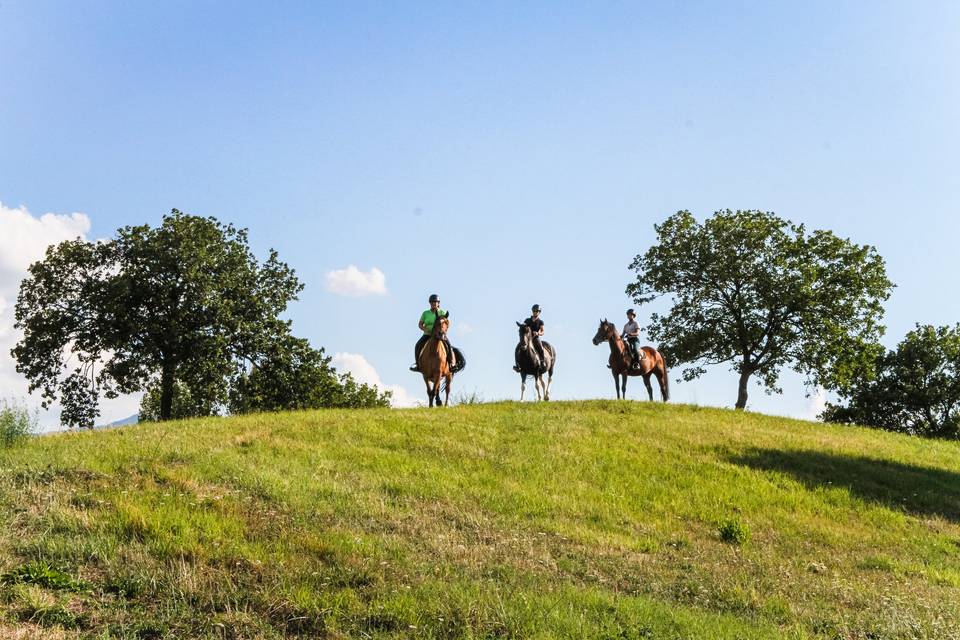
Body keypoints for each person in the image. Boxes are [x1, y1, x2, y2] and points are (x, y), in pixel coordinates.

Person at [410, 294, 456, 372]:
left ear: (438, 303)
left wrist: (443, 331)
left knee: (448, 345)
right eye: (432, 302)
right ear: (430, 303)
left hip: (439, 335)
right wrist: (425, 329)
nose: (434, 303)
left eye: (436, 302)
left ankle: (451, 364)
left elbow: (447, 323)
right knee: (417, 345)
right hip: (428, 334)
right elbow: (420, 324)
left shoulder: (442, 312)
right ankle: (418, 365)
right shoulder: (425, 313)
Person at [513, 304, 545, 372]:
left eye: (537, 311)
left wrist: (538, 333)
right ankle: (517, 365)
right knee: (517, 348)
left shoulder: (540, 322)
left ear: (539, 312)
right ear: (532, 311)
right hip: (527, 339)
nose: (535, 312)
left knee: (541, 348)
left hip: (535, 338)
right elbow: (523, 326)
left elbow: (542, 332)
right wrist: (522, 325)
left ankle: (542, 362)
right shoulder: (527, 320)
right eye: (534, 311)